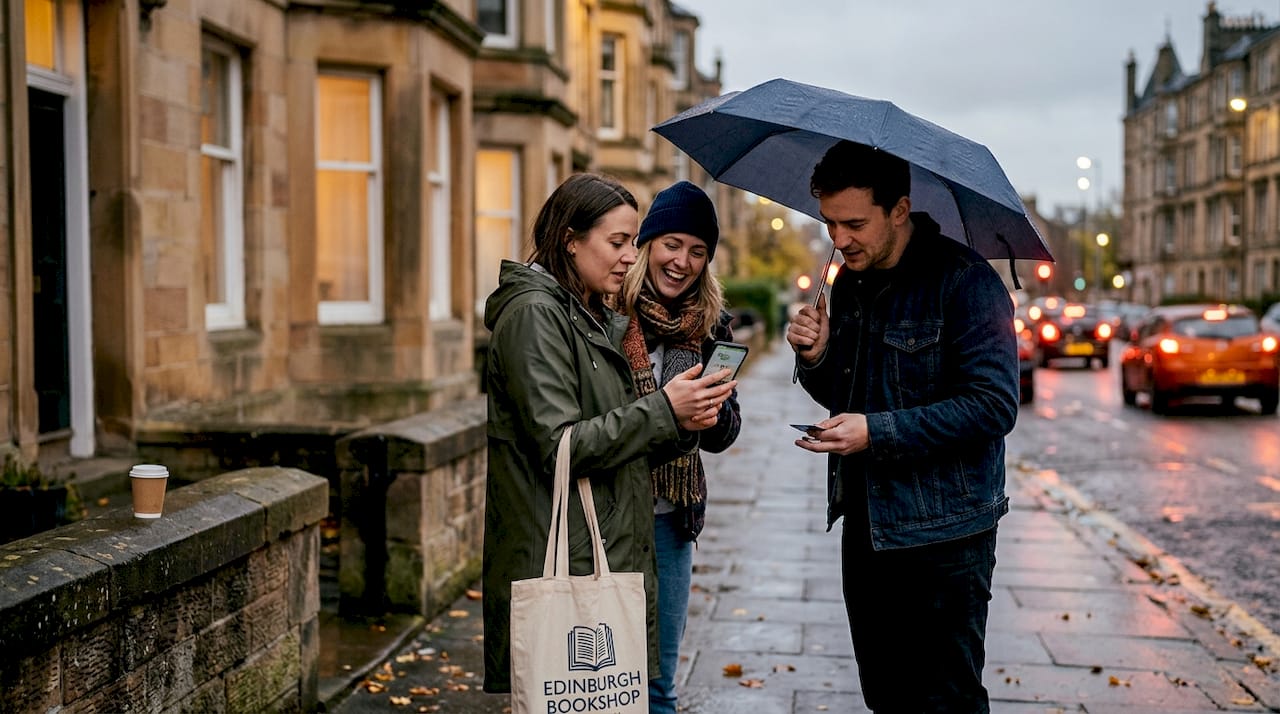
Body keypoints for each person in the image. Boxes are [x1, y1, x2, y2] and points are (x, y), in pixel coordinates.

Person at [481, 173, 737, 697]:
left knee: (638, 688)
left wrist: (690, 420)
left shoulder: (587, 310)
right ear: (571, 241)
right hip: (576, 535)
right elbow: (562, 445)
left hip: (636, 522)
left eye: (698, 251)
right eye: (620, 241)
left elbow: (620, 425)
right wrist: (666, 409)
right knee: (587, 694)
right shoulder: (545, 314)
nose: (628, 256)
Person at [785, 140, 1019, 713]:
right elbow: (847, 396)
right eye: (829, 223)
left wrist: (876, 432)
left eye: (854, 224)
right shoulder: (851, 284)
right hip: (867, 526)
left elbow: (994, 405)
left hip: (945, 535)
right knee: (885, 696)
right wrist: (816, 355)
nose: (840, 239)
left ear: (899, 210)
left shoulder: (966, 282)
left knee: (946, 701)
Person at [617, 181, 742, 714]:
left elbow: (725, 435)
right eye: (672, 244)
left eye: (697, 251)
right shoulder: (609, 312)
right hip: (611, 515)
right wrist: (667, 408)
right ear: (648, 244)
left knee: (660, 684)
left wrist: (712, 412)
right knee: (606, 680)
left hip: (672, 520)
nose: (681, 262)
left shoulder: (710, 325)